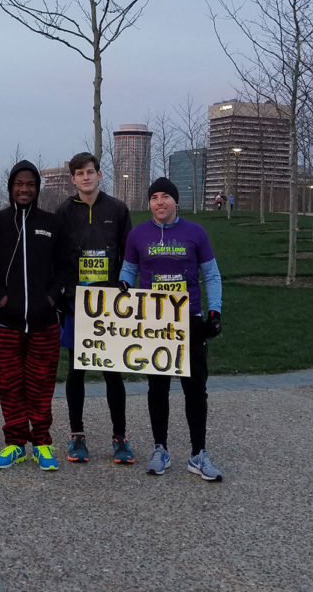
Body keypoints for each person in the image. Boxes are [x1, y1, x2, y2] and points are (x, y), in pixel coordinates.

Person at [119, 177, 224, 481]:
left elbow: (212, 275)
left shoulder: (195, 232)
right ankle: (160, 448)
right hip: (154, 323)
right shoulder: (138, 234)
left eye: (166, 196)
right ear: (149, 203)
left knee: (195, 390)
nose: (160, 202)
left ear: (176, 201)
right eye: (154, 197)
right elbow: (129, 268)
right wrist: (125, 283)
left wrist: (215, 312)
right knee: (158, 388)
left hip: (189, 321)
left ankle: (198, 454)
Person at [0, 160, 65, 471]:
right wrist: (0, 297)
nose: (24, 189)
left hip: (44, 323)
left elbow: (65, 266)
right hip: (5, 322)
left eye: (30, 184)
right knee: (10, 386)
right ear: (10, 187)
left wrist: (51, 298)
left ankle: (41, 443)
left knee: (41, 386)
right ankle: (15, 443)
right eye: (19, 184)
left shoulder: (51, 223)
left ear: (37, 188)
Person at [55, 152, 134, 465]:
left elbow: (129, 255)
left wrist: (124, 285)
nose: (85, 178)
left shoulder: (118, 209)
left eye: (90, 172)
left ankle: (120, 437)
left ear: (100, 175)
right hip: (76, 304)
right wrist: (61, 293)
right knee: (76, 372)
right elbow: (56, 257)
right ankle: (77, 436)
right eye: (79, 174)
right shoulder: (63, 211)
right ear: (73, 179)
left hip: (109, 305)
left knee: (112, 373)